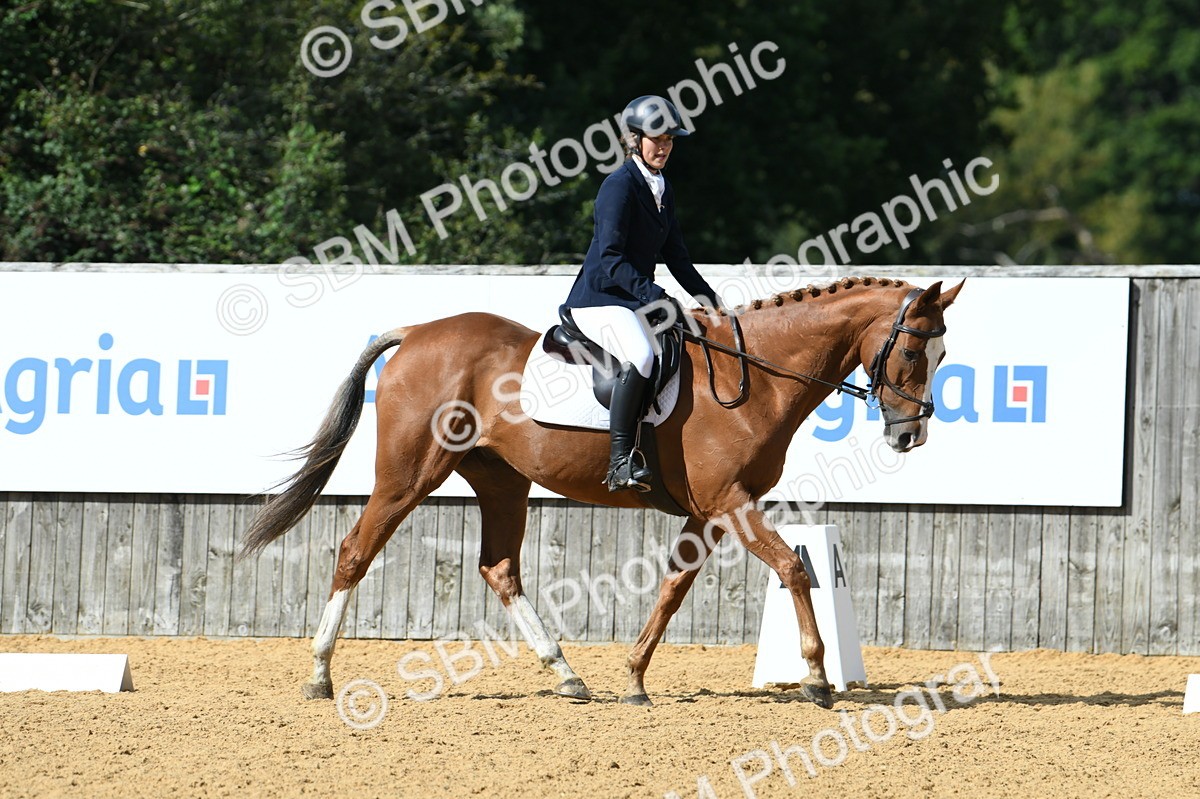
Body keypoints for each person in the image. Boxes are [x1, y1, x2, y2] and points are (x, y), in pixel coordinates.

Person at [561, 95, 722, 492]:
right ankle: (619, 461)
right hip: (598, 298)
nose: (664, 147)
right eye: (656, 139)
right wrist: (656, 297)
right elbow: (611, 259)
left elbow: (678, 258)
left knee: (689, 339)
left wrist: (711, 302)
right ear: (634, 139)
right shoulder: (619, 186)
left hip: (631, 299)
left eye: (670, 139)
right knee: (642, 354)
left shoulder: (662, 188)